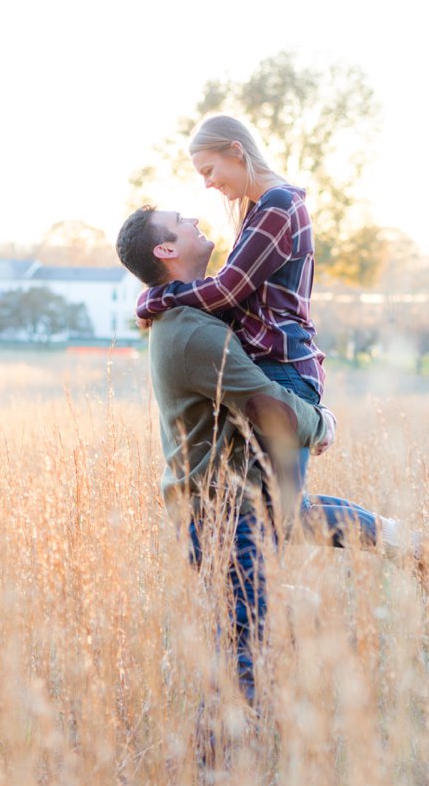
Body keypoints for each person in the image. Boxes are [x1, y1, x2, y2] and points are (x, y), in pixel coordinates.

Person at [132, 114, 429, 603]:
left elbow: (230, 289)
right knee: (275, 514)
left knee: (275, 517)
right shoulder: (257, 209)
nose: (207, 183)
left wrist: (157, 298)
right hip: (271, 368)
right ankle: (305, 602)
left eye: (209, 167)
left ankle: (307, 600)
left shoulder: (279, 205)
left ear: (236, 151)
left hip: (282, 368)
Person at [114, 207, 331, 707]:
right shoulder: (193, 332)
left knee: (245, 641)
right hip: (220, 515)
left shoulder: (194, 312)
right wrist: (324, 423)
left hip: (223, 507)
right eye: (179, 220)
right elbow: (269, 408)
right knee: (243, 660)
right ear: (165, 251)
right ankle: (221, 772)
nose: (193, 218)